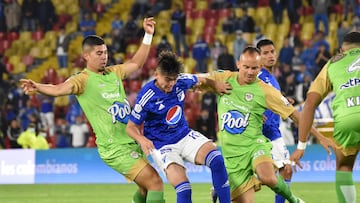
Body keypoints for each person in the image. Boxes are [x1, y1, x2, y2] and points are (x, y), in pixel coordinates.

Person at [20, 18, 166, 203]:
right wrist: (38, 86)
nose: (104, 56)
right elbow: (57, 89)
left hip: (130, 141)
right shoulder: (82, 80)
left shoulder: (114, 73)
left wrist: (148, 35)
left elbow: (136, 63)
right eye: (99, 53)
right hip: (114, 147)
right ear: (86, 56)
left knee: (145, 190)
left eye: (105, 52)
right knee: (155, 183)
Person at [205, 47, 333, 203]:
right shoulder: (226, 79)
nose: (250, 71)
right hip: (236, 149)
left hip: (262, 139)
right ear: (239, 64)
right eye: (247, 67)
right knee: (279, 174)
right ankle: (222, 183)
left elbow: (294, 114)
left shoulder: (267, 86)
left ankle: (293, 199)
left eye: (254, 68)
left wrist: (319, 136)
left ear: (260, 67)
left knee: (274, 175)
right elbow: (196, 80)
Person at [126, 51, 231, 203]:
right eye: (167, 80)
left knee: (217, 159)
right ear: (156, 74)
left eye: (174, 79)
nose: (171, 84)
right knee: (184, 188)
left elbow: (200, 79)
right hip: (162, 145)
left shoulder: (181, 80)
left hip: (184, 135)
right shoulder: (147, 96)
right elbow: (130, 127)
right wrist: (141, 139)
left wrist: (216, 84)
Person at [290, 32, 360, 203]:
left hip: (347, 116)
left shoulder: (333, 63)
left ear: (342, 49)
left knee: (344, 166)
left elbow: (310, 103)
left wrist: (301, 145)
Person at [256, 39, 293, 203]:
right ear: (258, 57)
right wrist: (254, 112)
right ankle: (225, 184)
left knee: (284, 171)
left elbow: (271, 99)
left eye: (272, 51)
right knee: (276, 173)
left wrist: (284, 101)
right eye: (265, 53)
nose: (270, 55)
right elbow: (244, 95)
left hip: (272, 130)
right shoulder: (257, 76)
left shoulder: (271, 77)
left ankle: (226, 184)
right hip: (260, 131)